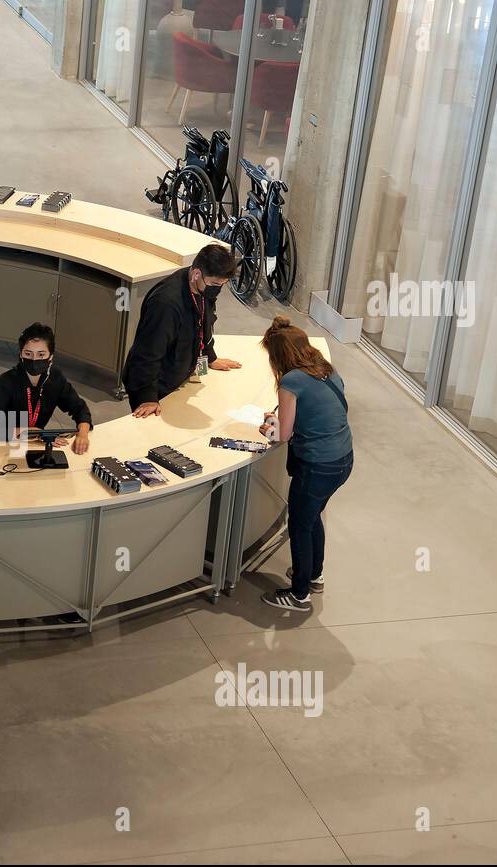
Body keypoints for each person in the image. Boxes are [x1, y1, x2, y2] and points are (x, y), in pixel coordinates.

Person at [256, 318, 354, 612]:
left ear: (279, 356)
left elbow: (282, 435)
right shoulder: (327, 370)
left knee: (299, 524)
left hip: (317, 466)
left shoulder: (291, 381)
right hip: (343, 460)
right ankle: (314, 575)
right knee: (313, 517)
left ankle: (299, 595)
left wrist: (269, 426)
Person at [122, 244, 242, 418]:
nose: (217, 289)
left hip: (180, 375)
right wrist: (147, 397)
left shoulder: (202, 288)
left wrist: (209, 357)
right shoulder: (166, 304)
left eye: (222, 284)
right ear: (196, 274)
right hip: (156, 384)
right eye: (215, 284)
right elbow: (147, 352)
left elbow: (204, 324)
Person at [0, 323, 92, 455]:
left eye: (41, 355)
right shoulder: (5, 383)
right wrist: (35, 433)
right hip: (3, 446)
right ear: (21, 355)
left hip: (35, 446)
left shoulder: (56, 379)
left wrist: (83, 434)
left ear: (51, 356)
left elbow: (80, 409)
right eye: (28, 354)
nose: (34, 360)